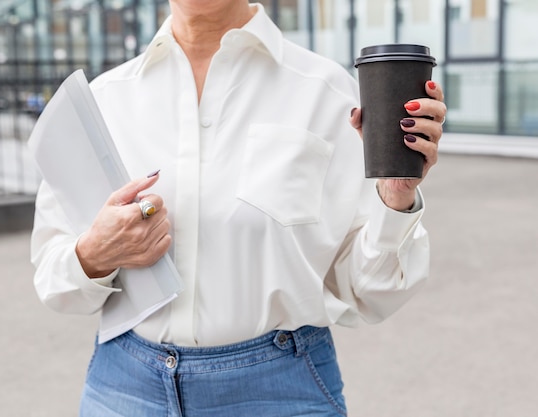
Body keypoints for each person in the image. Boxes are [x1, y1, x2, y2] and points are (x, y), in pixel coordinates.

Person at [30, 1, 447, 416]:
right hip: (124, 391)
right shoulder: (105, 100)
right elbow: (54, 277)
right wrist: (94, 255)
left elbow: (370, 291)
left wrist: (395, 198)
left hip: (277, 392)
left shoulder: (326, 93)